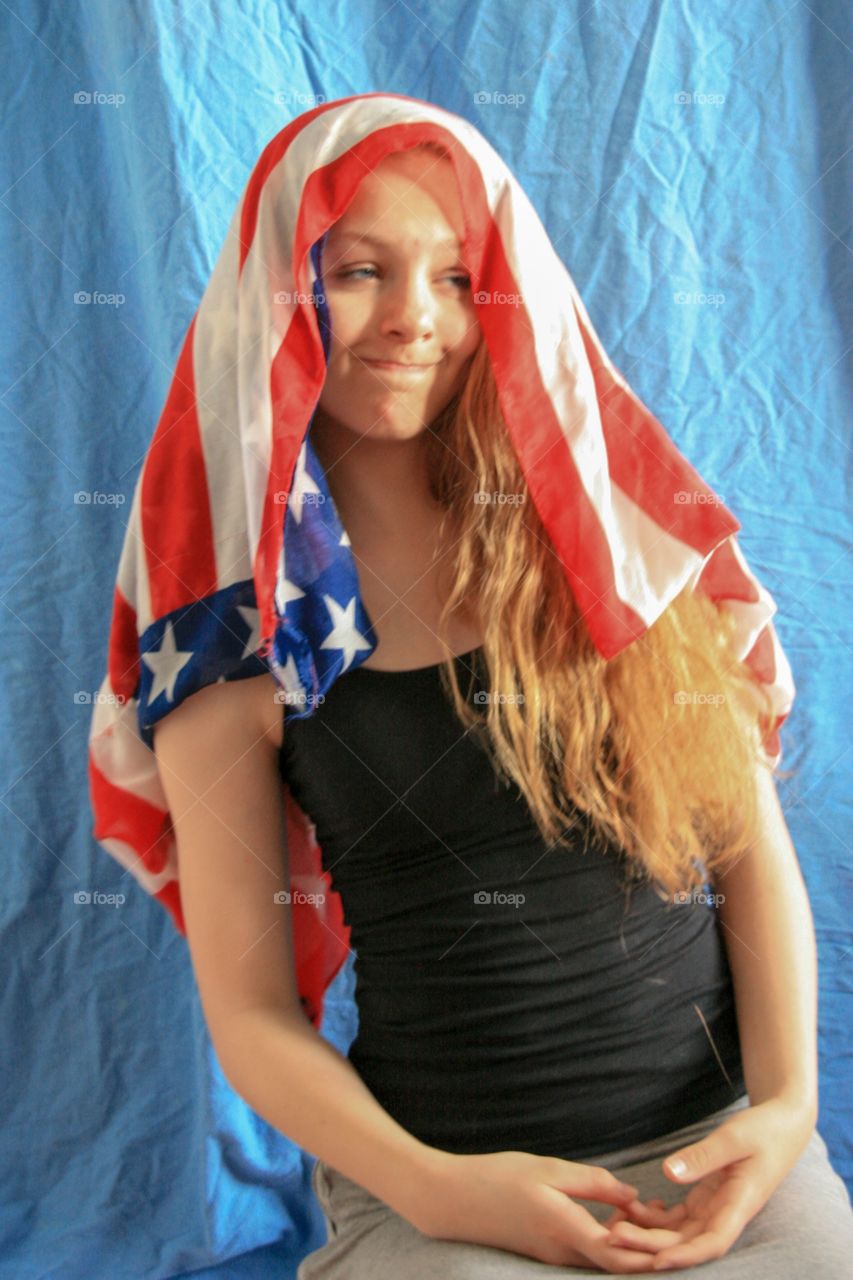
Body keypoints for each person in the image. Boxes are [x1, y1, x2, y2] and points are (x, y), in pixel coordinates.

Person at [88, 94, 853, 1276]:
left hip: (717, 1156)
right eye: (358, 271)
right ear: (278, 290)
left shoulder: (603, 540)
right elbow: (250, 1017)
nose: (411, 319)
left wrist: (787, 1109)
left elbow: (749, 847)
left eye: (455, 277)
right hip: (439, 1178)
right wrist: (442, 1193)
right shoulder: (231, 625)